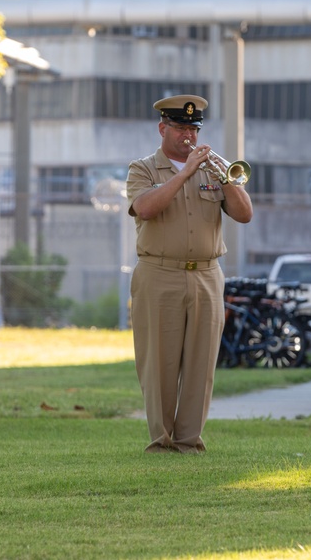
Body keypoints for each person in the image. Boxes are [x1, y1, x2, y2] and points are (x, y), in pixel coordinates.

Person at [125, 94, 253, 454]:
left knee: (202, 363)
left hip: (207, 276)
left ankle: (188, 442)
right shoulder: (143, 168)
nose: (188, 136)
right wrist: (184, 173)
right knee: (160, 364)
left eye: (193, 129)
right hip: (158, 274)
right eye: (181, 128)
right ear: (162, 128)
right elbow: (145, 208)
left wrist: (227, 179)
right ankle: (161, 441)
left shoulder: (215, 168)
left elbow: (244, 215)